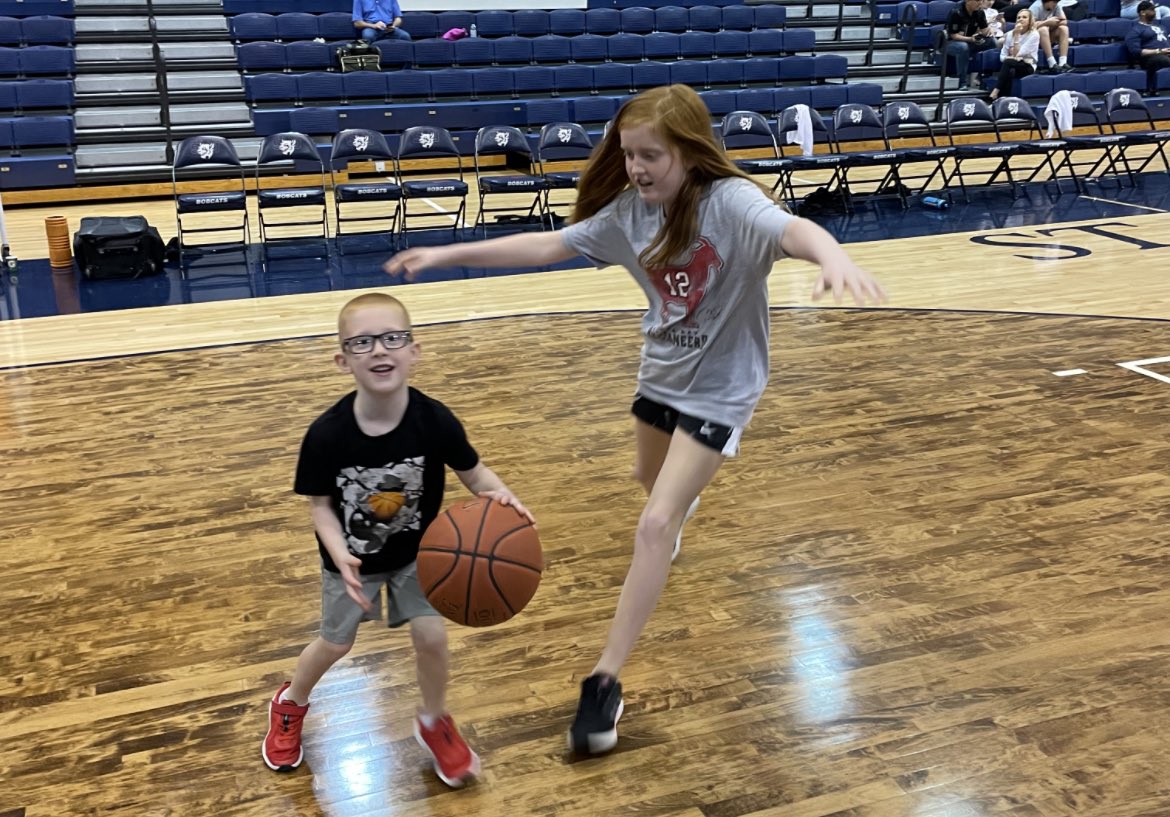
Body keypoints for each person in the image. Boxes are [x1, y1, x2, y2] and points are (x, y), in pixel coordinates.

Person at [382, 84, 886, 756]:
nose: (637, 168)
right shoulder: (628, 214)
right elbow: (548, 246)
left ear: (690, 151)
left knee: (654, 524)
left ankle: (604, 681)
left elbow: (792, 230)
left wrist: (834, 255)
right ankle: (675, 507)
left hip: (721, 390)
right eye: (628, 154)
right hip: (661, 374)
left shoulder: (731, 203)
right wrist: (446, 256)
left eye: (651, 155)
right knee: (647, 482)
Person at [262, 292, 533, 786]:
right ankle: (290, 703)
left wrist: (504, 499)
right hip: (351, 563)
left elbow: (475, 473)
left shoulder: (434, 420)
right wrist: (339, 552)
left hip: (419, 557)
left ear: (414, 350)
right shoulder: (326, 434)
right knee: (335, 645)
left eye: (392, 338)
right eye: (362, 342)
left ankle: (433, 720)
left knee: (432, 637)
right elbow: (320, 506)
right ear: (343, 360)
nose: (379, 350)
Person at [945, 0, 998, 90]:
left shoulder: (980, 12)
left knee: (993, 42)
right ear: (968, 1)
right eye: (977, 1)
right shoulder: (956, 12)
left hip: (970, 41)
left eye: (981, 0)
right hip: (951, 43)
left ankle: (983, 77)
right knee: (963, 47)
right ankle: (962, 82)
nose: (980, 3)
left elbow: (984, 30)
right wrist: (970, 39)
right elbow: (953, 35)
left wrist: (990, 30)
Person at [990, 8, 1040, 100]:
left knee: (1009, 64)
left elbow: (1017, 54)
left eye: (1024, 17)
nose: (1021, 19)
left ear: (1030, 20)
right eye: (1018, 17)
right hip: (1012, 64)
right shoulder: (1009, 34)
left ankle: (996, 91)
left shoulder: (1034, 35)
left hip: (1028, 66)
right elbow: (1002, 56)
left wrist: (1017, 35)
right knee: (1010, 69)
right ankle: (1004, 100)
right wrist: (1012, 58)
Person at [1029, 0, 1072, 72]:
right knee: (1043, 29)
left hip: (1048, 36)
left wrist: (1054, 23)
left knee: (1064, 28)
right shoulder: (1035, 7)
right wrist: (1046, 22)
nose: (1055, 4)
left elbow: (1064, 21)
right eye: (1054, 2)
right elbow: (1028, 27)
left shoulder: (1056, 6)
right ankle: (1052, 63)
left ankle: (1063, 63)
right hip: (1034, 40)